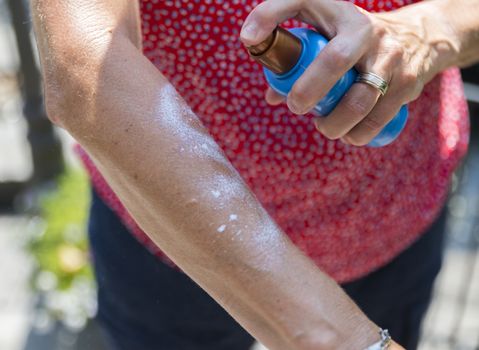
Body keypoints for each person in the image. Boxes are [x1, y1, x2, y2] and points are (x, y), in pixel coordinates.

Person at [30, 0, 479, 349]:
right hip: (179, 241)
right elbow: (83, 66)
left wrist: (435, 29)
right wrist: (337, 339)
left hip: (390, 214)